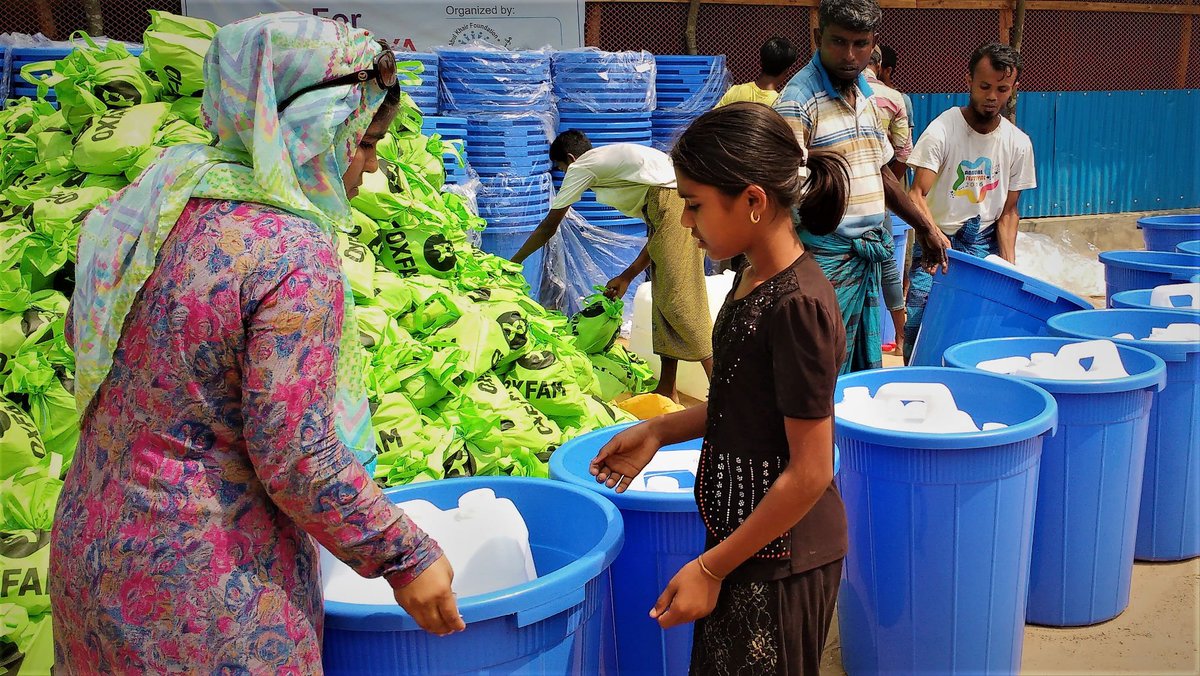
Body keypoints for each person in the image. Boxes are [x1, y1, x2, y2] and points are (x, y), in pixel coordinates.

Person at [51, 13, 464, 672]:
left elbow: (84, 338)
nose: (371, 167)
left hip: (90, 556)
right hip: (204, 592)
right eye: (367, 142)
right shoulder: (288, 251)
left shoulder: (147, 206)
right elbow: (295, 448)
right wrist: (404, 554)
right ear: (316, 131)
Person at [590, 103, 849, 676]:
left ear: (754, 202)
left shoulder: (798, 305)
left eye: (694, 203)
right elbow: (742, 400)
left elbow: (811, 471)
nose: (685, 222)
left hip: (783, 555)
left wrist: (710, 569)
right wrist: (659, 429)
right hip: (743, 543)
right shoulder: (750, 277)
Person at [774, 0, 948, 373]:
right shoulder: (798, 100)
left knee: (853, 381)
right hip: (823, 262)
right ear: (818, 38)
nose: (849, 55)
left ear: (874, 44)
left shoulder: (866, 94)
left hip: (863, 257)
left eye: (860, 43)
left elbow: (881, 171)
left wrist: (924, 226)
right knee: (817, 373)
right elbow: (784, 192)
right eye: (838, 42)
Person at [510, 133, 712, 402]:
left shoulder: (582, 166)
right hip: (668, 204)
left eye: (562, 169)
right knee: (663, 299)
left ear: (570, 159)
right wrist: (627, 276)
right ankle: (667, 388)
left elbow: (550, 225)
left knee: (680, 302)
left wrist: (514, 261)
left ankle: (723, 387)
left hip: (674, 202)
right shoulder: (611, 163)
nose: (565, 175)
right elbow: (656, 240)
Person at [903, 43, 1036, 362]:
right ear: (969, 81)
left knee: (979, 334)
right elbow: (915, 195)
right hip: (934, 245)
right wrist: (933, 236)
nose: (992, 96)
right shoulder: (943, 130)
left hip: (983, 249)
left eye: (1002, 89)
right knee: (917, 330)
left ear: (1014, 88)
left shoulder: (1018, 144)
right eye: (985, 86)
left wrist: (1009, 273)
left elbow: (1008, 214)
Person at [865, 44, 912, 355]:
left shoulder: (832, 93)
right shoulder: (895, 99)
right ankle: (901, 338)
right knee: (888, 267)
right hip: (878, 194)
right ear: (881, 67)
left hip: (838, 198)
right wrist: (887, 182)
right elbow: (904, 152)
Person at [715, 36, 799, 108]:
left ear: (760, 62)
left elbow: (710, 120)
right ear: (786, 71)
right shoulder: (779, 104)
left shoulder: (735, 91)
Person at [877, 45, 914, 145]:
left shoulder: (902, 99)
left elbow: (905, 141)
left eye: (876, 67)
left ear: (888, 71)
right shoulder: (862, 94)